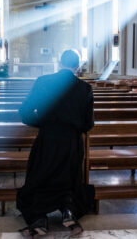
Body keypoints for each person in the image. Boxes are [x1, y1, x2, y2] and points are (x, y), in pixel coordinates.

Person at [16, 49, 95, 237]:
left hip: (47, 139)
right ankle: (68, 210)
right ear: (77, 66)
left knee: (41, 176)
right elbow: (88, 124)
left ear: (60, 62)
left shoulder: (43, 82)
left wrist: (43, 123)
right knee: (68, 177)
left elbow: (25, 112)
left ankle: (39, 217)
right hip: (71, 142)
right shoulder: (85, 88)